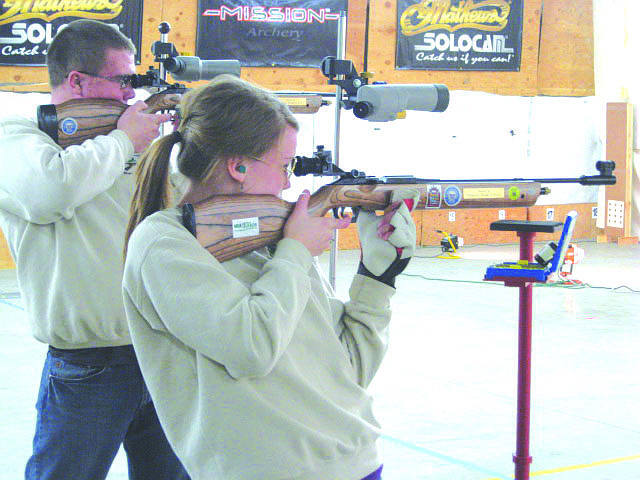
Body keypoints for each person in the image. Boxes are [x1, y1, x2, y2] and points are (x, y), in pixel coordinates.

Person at [122, 74, 418, 480]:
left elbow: (348, 370)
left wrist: (378, 276)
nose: (288, 181)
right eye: (284, 165)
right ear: (238, 165)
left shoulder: (275, 239)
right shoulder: (165, 243)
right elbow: (251, 347)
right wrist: (295, 251)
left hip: (356, 463)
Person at [0, 19, 189, 480]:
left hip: (162, 352)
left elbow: (185, 212)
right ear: (78, 81)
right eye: (122, 80)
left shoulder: (131, 145)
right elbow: (51, 191)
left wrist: (186, 145)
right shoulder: (19, 137)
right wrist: (125, 138)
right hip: (89, 366)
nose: (130, 94)